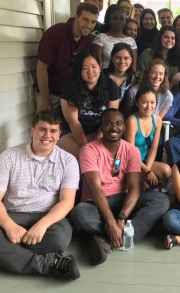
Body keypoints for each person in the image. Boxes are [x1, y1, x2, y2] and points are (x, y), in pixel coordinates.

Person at [0, 111, 80, 280]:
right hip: (13, 215)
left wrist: (42, 225)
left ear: (59, 134)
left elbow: (67, 202)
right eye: (42, 129)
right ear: (32, 131)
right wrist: (9, 226)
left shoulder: (68, 161)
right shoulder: (9, 157)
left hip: (49, 217)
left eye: (53, 131)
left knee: (58, 240)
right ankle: (47, 264)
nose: (47, 135)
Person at [71, 109, 170, 265]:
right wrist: (111, 222)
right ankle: (121, 234)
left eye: (118, 123)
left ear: (124, 127)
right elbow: (95, 188)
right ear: (101, 127)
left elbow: (134, 188)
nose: (114, 128)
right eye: (108, 124)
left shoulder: (131, 151)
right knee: (79, 214)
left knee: (161, 200)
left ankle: (104, 238)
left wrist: (122, 217)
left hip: (123, 199)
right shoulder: (89, 150)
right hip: (96, 202)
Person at [36, 2, 99, 112]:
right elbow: (41, 67)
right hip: (51, 93)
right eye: (85, 19)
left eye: (93, 22)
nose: (89, 25)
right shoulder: (55, 33)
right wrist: (45, 101)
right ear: (76, 17)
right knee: (47, 127)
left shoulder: (88, 39)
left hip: (73, 95)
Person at [58, 50, 120, 159]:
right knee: (85, 156)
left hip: (97, 131)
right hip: (70, 131)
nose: (90, 71)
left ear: (100, 67)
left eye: (93, 66)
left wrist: (96, 140)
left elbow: (110, 118)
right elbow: (73, 121)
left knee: (103, 157)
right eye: (84, 68)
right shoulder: (70, 88)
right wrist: (86, 145)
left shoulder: (111, 87)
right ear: (78, 71)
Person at [125, 87, 171, 190]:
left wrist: (147, 171)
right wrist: (148, 172)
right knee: (142, 187)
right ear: (137, 102)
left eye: (152, 102)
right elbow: (130, 153)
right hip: (129, 162)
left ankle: (146, 182)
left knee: (167, 170)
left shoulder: (157, 120)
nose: (149, 107)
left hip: (144, 161)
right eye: (144, 102)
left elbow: (153, 149)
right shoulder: (132, 121)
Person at [137, 25, 180, 90]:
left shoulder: (177, 55)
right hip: (149, 93)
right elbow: (140, 78)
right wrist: (159, 86)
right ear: (159, 38)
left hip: (172, 95)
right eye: (166, 37)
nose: (170, 40)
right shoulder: (147, 54)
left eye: (172, 38)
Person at [93, 4, 137, 71]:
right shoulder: (101, 38)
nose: (118, 22)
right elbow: (97, 66)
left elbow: (133, 68)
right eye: (114, 19)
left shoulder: (131, 41)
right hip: (104, 78)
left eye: (122, 19)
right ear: (109, 20)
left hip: (126, 79)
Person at [106, 43, 135, 110]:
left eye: (126, 58)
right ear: (112, 59)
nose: (122, 61)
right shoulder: (102, 75)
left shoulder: (132, 78)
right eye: (118, 58)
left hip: (123, 116)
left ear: (131, 60)